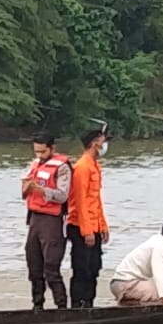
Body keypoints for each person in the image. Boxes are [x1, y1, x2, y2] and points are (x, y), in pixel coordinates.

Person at [21, 132, 72, 310]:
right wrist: (26, 188)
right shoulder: (34, 164)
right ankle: (37, 305)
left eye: (43, 152)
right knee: (33, 263)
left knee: (51, 266)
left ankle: (62, 305)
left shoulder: (63, 167)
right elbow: (24, 194)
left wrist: (41, 190)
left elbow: (63, 195)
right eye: (37, 152)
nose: (39, 156)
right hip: (35, 218)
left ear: (52, 148)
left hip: (53, 220)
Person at [66, 126, 110, 308]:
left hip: (94, 225)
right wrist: (87, 231)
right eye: (103, 141)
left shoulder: (95, 166)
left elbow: (96, 200)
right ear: (94, 144)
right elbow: (80, 201)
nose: (105, 144)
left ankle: (89, 304)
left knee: (94, 269)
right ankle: (77, 305)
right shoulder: (82, 167)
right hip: (80, 226)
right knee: (81, 269)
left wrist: (103, 226)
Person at [110, 221, 163, 310]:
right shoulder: (160, 245)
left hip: (123, 283)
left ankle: (127, 307)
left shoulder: (161, 243)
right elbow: (157, 271)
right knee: (158, 295)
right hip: (124, 283)